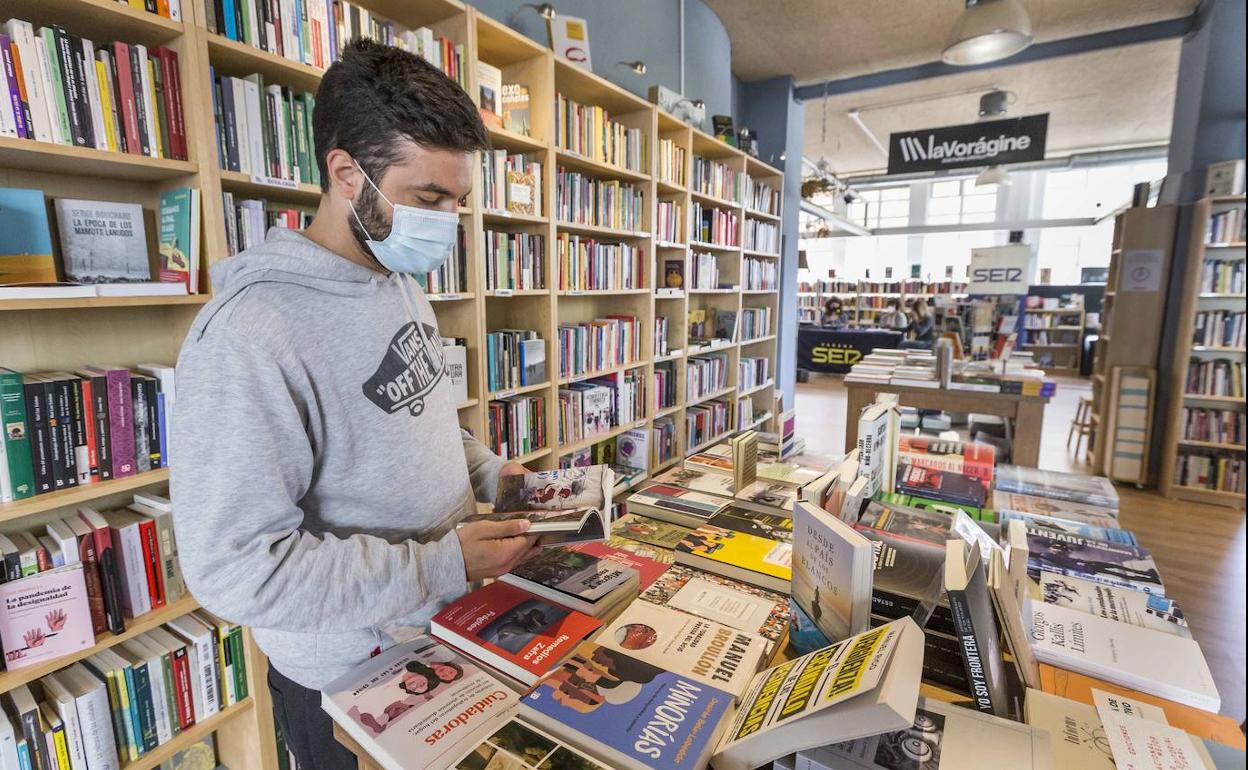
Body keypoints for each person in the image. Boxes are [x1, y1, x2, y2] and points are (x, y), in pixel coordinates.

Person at [170, 40, 541, 770]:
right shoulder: (249, 334)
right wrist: (436, 567)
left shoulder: (395, 278)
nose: (448, 222)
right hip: (346, 684)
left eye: (458, 200)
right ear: (346, 174)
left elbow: (419, 413)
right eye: (429, 199)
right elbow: (236, 570)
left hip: (444, 632)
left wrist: (493, 474)